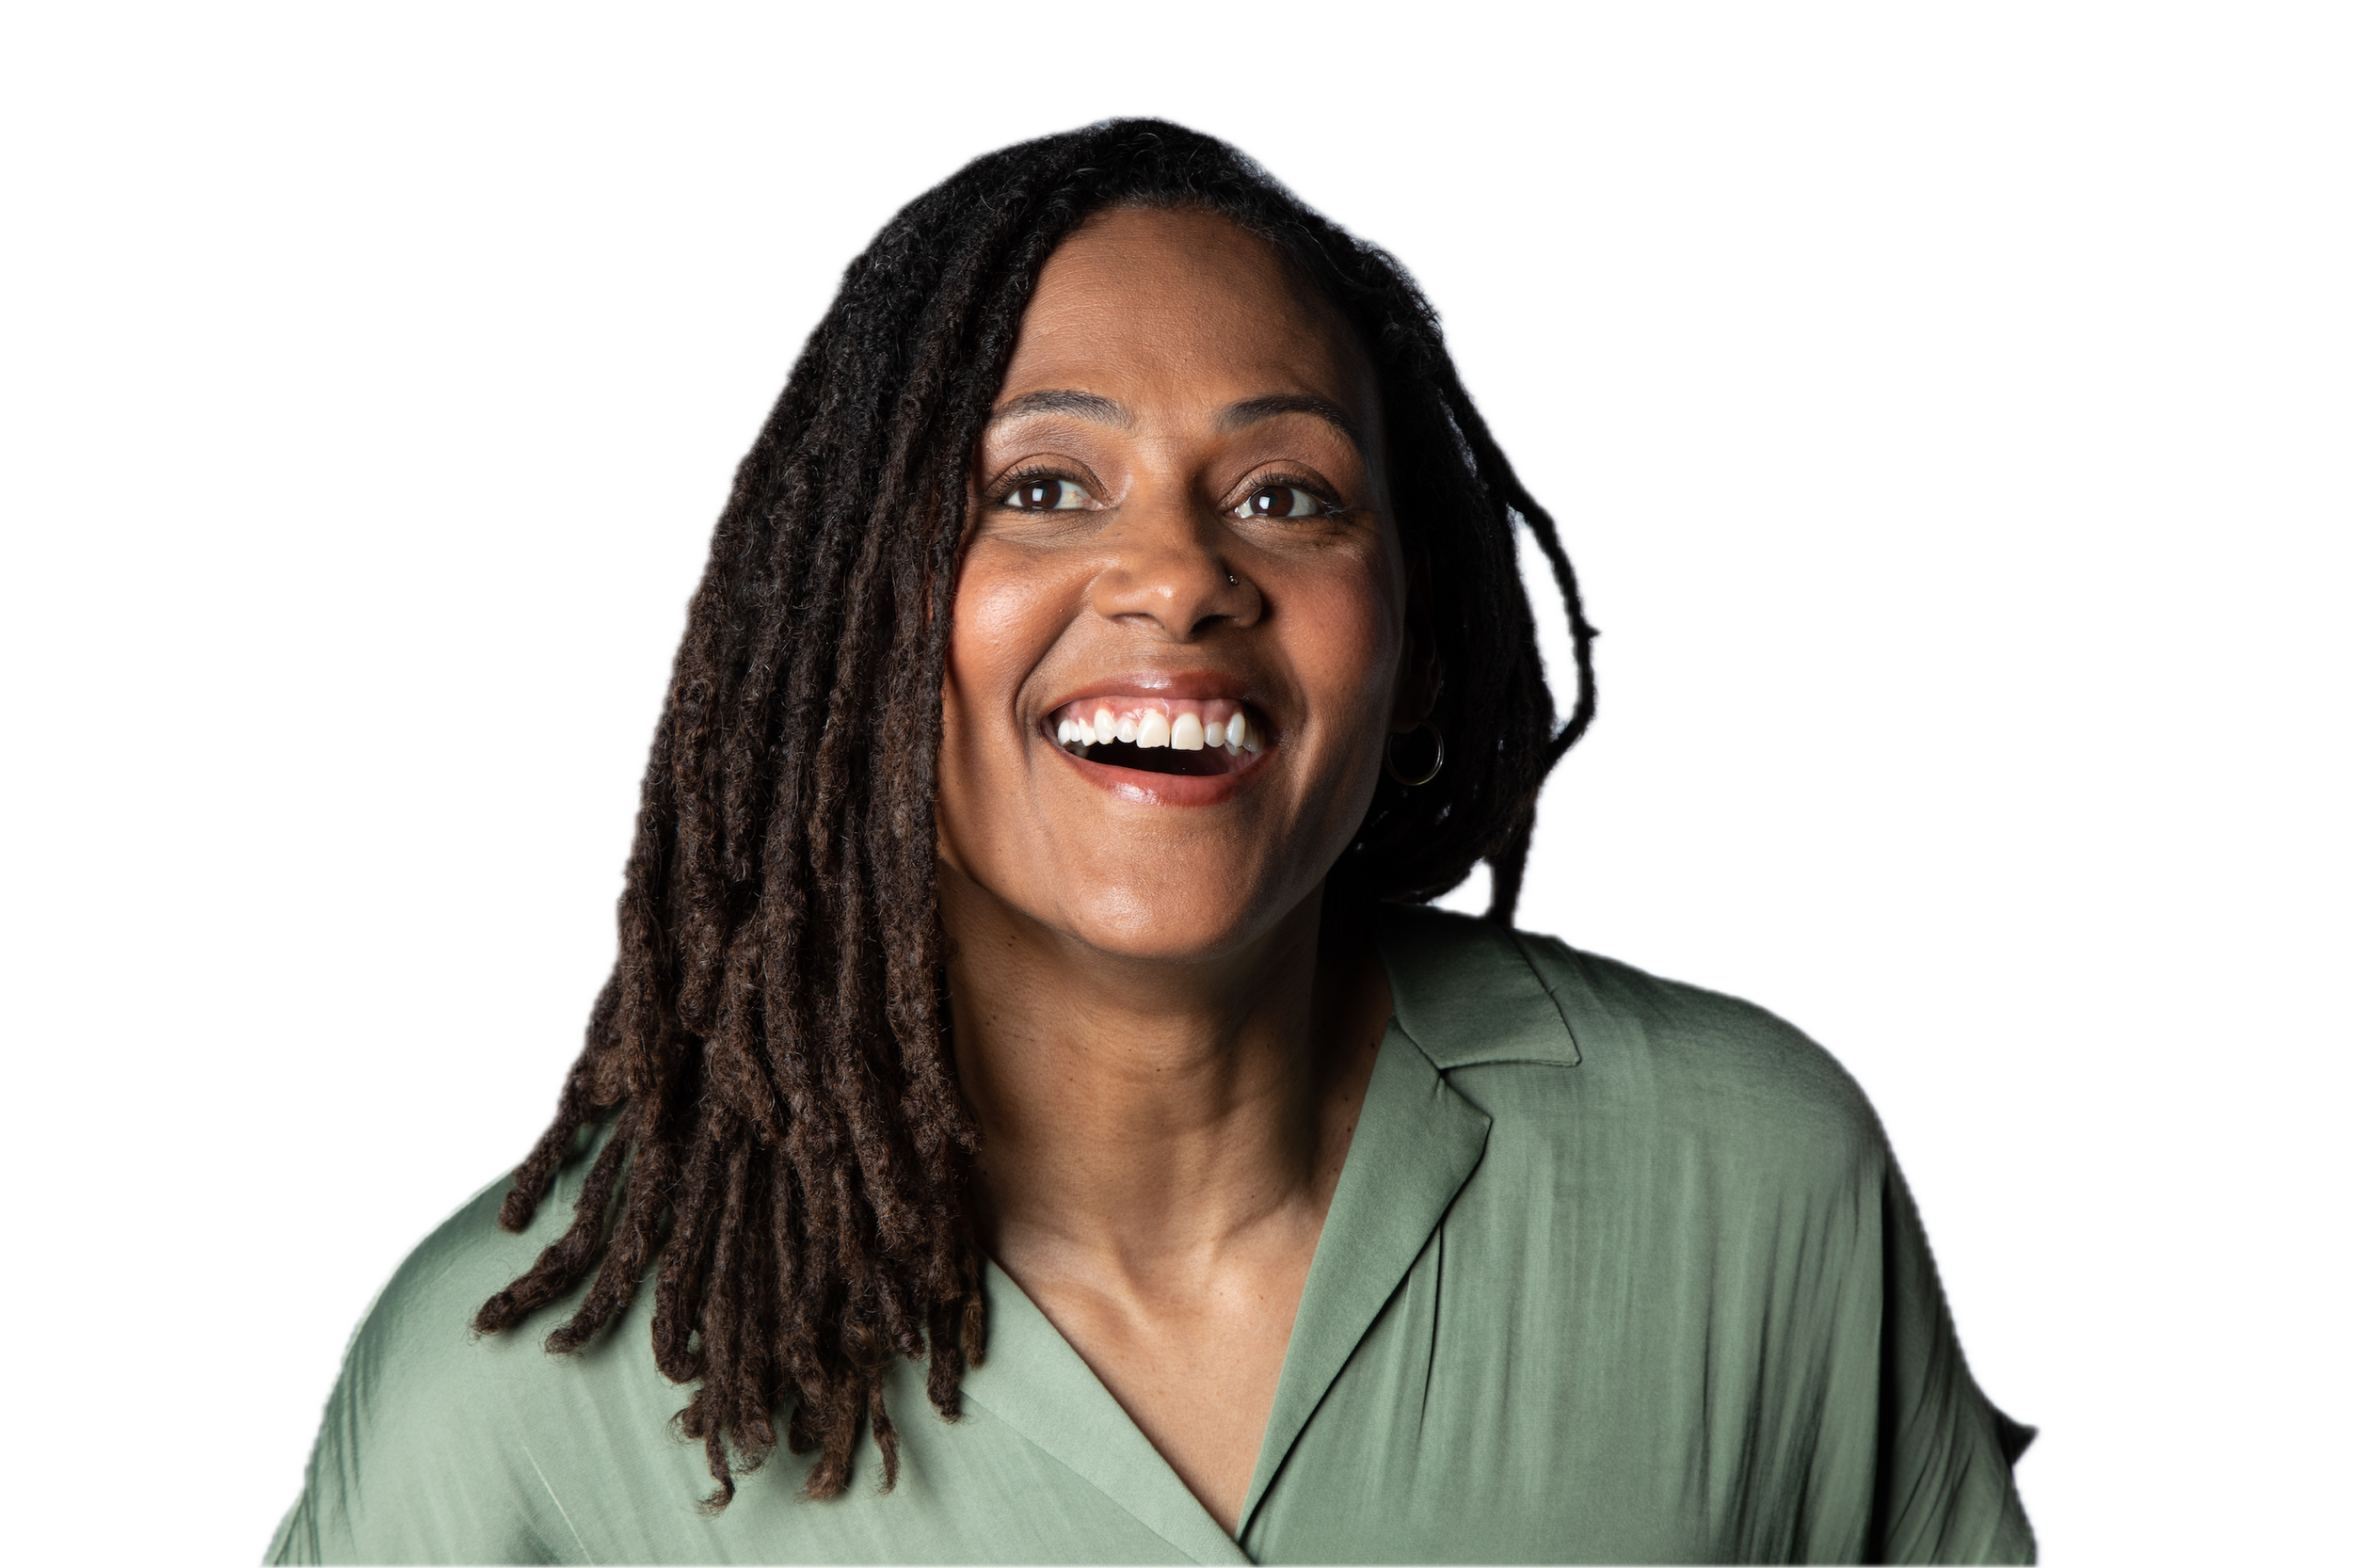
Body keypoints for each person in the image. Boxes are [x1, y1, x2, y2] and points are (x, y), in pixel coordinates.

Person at [257, 114, 2047, 1567]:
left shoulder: (1741, 1190)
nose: (1183, 575)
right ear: (848, 625)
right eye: (1042, 488)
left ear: (1411, 640)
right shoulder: (518, 1384)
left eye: (1288, 496)